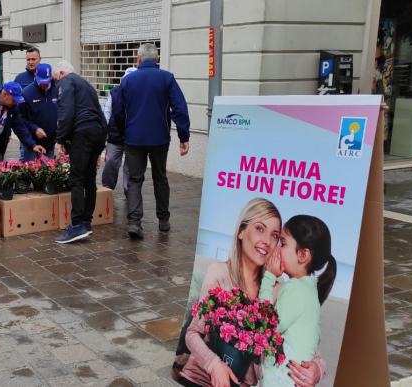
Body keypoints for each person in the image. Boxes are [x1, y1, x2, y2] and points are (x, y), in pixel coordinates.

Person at [174, 198, 326, 387]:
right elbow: (192, 333)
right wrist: (214, 365)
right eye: (260, 229)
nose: (267, 242)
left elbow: (306, 341)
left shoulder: (278, 290)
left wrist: (317, 369)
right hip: (200, 379)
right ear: (241, 231)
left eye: (275, 236)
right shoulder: (219, 273)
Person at [112, 43, 189, 239]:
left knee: (135, 179)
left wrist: (120, 133)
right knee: (160, 177)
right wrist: (183, 136)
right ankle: (163, 220)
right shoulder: (166, 78)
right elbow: (179, 107)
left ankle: (134, 222)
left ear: (138, 59)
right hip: (159, 138)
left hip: (133, 138)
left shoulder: (127, 81)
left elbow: (118, 111)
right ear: (157, 59)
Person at [259, 215, 337, 387]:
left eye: (283, 243)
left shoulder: (294, 289)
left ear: (303, 255)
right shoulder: (308, 291)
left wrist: (269, 276)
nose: (276, 248)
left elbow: (265, 325)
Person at [53, 60, 107, 244]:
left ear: (61, 73)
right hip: (97, 132)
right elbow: (101, 115)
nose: (56, 84)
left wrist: (60, 139)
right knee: (90, 179)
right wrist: (101, 145)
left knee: (76, 179)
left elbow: (66, 113)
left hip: (82, 133)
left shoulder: (66, 82)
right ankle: (86, 222)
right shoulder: (88, 85)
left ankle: (77, 226)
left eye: (55, 79)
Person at [102, 67, 137, 193]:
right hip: (115, 134)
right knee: (111, 162)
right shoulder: (114, 92)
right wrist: (104, 131)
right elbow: (107, 111)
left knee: (130, 165)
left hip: (132, 136)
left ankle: (129, 192)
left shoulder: (139, 94)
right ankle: (107, 188)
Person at [19, 63, 57, 161]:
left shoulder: (57, 89)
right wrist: (35, 129)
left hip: (50, 144)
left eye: (47, 82)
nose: (44, 84)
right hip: (31, 144)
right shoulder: (26, 93)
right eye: (41, 82)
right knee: (29, 174)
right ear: (35, 75)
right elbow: (20, 118)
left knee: (48, 173)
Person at [15, 47, 42, 161]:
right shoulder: (20, 78)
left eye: (33, 59)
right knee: (27, 166)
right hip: (27, 131)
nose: (30, 62)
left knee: (46, 168)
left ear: (40, 59)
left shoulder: (46, 76)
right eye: (28, 59)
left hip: (44, 130)